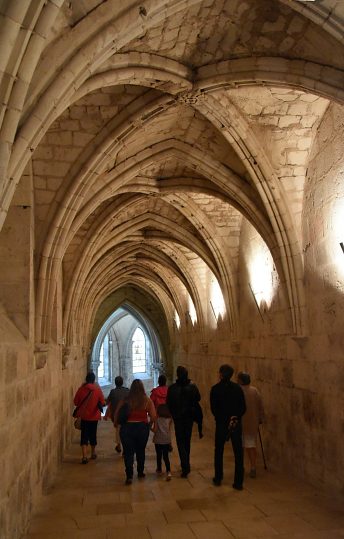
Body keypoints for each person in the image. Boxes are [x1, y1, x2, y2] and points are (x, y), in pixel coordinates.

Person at [114, 379, 157, 485]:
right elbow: (154, 416)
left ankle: (129, 476)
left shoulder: (125, 400)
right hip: (142, 428)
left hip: (127, 429)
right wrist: (149, 425)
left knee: (128, 452)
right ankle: (140, 472)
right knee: (140, 451)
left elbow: (117, 413)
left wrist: (116, 423)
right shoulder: (147, 400)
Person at [210, 364, 246, 489]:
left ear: (220, 374)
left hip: (221, 424)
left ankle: (218, 478)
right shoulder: (237, 389)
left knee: (218, 450)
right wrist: (235, 418)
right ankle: (238, 482)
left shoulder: (215, 389)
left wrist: (222, 418)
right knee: (238, 452)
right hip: (235, 423)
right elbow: (243, 407)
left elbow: (213, 409)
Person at [166, 365, 201, 478]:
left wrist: (174, 413)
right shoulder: (192, 386)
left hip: (178, 418)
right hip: (189, 417)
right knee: (187, 440)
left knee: (180, 441)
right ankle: (186, 464)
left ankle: (185, 465)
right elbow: (198, 398)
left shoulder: (172, 388)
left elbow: (169, 403)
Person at [73, 371, 105, 464]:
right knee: (93, 434)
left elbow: (75, 402)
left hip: (84, 417)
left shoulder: (81, 389)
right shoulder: (97, 390)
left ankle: (84, 456)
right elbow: (103, 402)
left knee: (84, 435)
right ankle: (93, 453)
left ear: (86, 380)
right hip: (94, 416)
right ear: (94, 380)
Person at [237, 371, 265, 478]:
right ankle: (253, 467)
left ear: (240, 380)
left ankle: (243, 467)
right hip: (253, 423)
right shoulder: (255, 391)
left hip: (241, 423)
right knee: (251, 446)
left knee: (242, 447)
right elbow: (260, 406)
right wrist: (261, 418)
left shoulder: (238, 391)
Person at [105, 375, 129, 453]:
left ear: (115, 383)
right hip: (126, 414)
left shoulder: (113, 392)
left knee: (118, 430)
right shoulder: (127, 391)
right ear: (122, 382)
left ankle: (119, 445)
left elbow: (107, 402)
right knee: (125, 431)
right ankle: (125, 448)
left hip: (117, 415)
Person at [153, 404, 172, 481]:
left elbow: (155, 430)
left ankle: (159, 469)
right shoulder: (170, 419)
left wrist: (149, 427)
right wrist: (170, 442)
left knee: (159, 455)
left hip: (158, 440)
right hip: (166, 440)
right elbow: (169, 430)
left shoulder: (157, 419)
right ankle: (168, 471)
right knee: (166, 456)